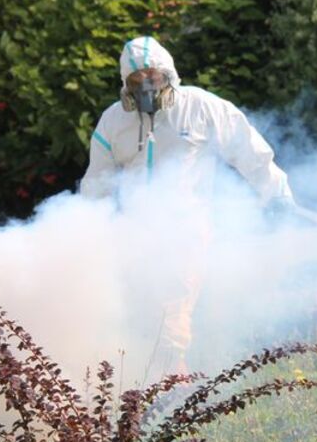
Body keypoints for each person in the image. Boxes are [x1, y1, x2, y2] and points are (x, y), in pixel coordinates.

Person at [80, 36, 295, 379]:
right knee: (138, 316)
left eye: (154, 77)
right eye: (138, 80)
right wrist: (87, 234)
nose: (147, 86)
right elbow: (97, 184)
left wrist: (277, 193)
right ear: (126, 83)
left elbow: (248, 149)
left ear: (169, 75)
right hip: (135, 235)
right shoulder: (112, 122)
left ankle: (173, 387)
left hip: (187, 230)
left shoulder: (200, 107)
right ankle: (144, 391)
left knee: (172, 310)